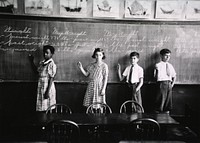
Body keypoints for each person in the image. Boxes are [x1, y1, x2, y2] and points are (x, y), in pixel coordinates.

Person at [29, 45, 57, 111]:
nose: (45, 54)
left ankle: (47, 120)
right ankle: (42, 120)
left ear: (51, 54)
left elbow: (51, 78)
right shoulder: (42, 63)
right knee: (41, 107)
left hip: (47, 87)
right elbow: (37, 72)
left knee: (47, 107)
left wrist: (47, 92)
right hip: (41, 86)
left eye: (47, 53)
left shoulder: (51, 64)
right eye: (44, 52)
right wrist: (31, 62)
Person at [154, 48, 176, 114]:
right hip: (161, 84)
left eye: (169, 56)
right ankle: (158, 119)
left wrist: (172, 85)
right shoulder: (157, 65)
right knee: (159, 102)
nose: (168, 57)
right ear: (161, 56)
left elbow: (174, 76)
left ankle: (167, 118)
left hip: (169, 84)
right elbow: (155, 77)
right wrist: (156, 70)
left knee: (168, 103)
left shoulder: (170, 66)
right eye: (166, 55)